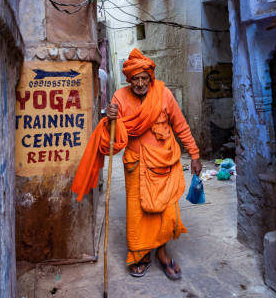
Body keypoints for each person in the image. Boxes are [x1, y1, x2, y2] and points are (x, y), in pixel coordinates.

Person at [71, 48, 202, 280]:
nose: (140, 83)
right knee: (138, 214)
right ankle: (139, 255)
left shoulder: (164, 94)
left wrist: (194, 153)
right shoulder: (119, 98)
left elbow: (180, 125)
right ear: (129, 79)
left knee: (166, 212)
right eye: (135, 79)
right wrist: (110, 120)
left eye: (144, 78)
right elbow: (115, 142)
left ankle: (162, 253)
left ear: (150, 78)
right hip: (136, 165)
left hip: (165, 163)